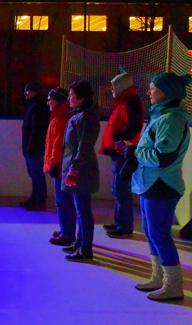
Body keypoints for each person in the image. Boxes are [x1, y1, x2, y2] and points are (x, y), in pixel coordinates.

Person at [129, 72, 192, 300]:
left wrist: (137, 150)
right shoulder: (162, 116)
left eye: (152, 89)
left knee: (159, 234)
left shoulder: (171, 120)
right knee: (151, 232)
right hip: (151, 183)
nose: (148, 93)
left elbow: (162, 157)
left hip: (161, 184)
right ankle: (158, 277)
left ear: (166, 93)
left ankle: (173, 285)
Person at [100, 67, 143, 238]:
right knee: (117, 188)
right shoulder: (124, 102)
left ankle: (124, 225)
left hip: (122, 152)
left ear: (122, 86)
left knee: (121, 189)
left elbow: (133, 126)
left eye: (113, 85)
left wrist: (119, 138)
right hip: (118, 151)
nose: (111, 88)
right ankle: (120, 222)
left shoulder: (129, 102)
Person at [60, 80, 100, 261]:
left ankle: (85, 248)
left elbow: (83, 148)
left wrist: (74, 170)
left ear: (81, 98)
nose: (69, 99)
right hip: (79, 169)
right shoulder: (80, 116)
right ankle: (79, 242)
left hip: (81, 171)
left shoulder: (85, 118)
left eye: (72, 96)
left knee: (83, 210)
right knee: (80, 208)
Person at [44, 86, 76, 246]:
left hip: (60, 165)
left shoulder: (61, 118)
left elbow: (57, 145)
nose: (48, 102)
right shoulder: (58, 116)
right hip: (60, 164)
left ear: (57, 100)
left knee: (63, 201)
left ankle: (68, 233)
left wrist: (53, 163)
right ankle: (65, 230)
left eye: (50, 99)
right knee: (63, 200)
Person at [21, 82, 51, 211]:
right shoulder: (35, 105)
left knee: (37, 174)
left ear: (34, 92)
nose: (25, 93)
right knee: (34, 174)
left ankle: (39, 200)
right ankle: (35, 198)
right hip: (32, 146)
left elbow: (36, 128)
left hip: (35, 147)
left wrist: (31, 146)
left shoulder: (38, 106)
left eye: (27, 91)